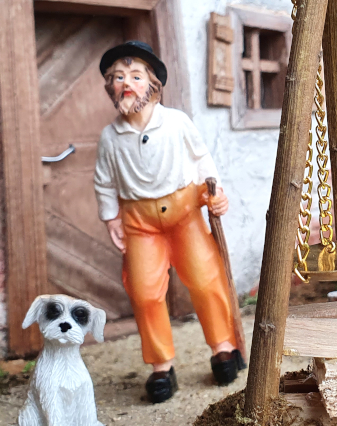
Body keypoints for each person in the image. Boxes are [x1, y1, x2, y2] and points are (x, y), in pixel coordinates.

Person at [94, 40, 244, 402]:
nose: (125, 83)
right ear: (110, 88)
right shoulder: (110, 137)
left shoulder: (176, 122)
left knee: (206, 278)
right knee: (144, 292)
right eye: (117, 77)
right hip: (140, 222)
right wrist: (110, 217)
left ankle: (223, 347)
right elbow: (103, 181)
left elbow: (202, 159)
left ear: (152, 85)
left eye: (134, 75)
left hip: (184, 212)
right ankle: (161, 365)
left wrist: (215, 193)